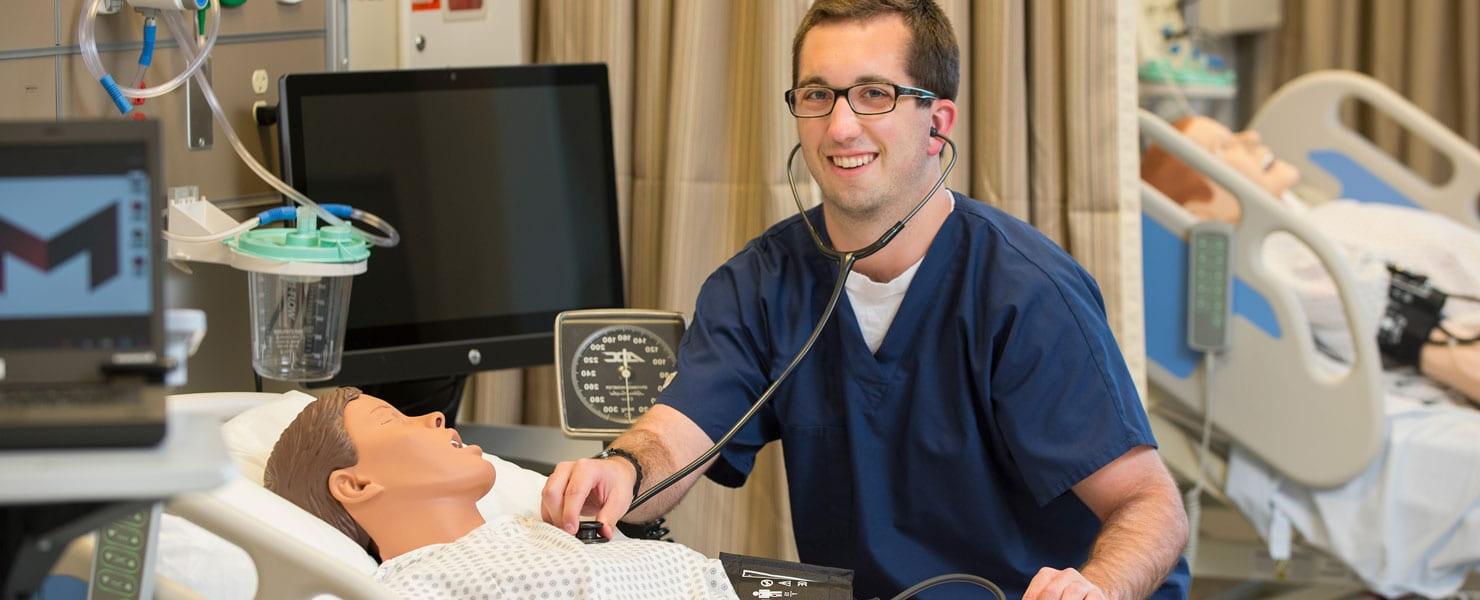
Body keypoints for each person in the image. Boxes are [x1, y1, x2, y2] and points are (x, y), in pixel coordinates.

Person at [541, 2, 1191, 598]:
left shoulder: (1025, 295)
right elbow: (675, 433)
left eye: (874, 94)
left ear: (937, 122)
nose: (841, 126)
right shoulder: (761, 283)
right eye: (818, 94)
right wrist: (624, 471)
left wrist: (1097, 587)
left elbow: (1151, 506)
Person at [263, 387, 736, 599]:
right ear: (357, 484)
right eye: (392, 419)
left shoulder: (530, 527)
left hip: (745, 581)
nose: (433, 418)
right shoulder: (416, 588)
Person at [1141, 115, 1480, 401]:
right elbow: (1440, 351)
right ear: (1202, 212)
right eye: (1224, 147)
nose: (1251, 136)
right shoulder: (1282, 255)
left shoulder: (1304, 222)